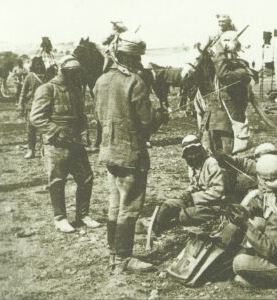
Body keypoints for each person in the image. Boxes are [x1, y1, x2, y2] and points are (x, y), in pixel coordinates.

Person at [94, 32, 169, 274]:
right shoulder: (135, 81)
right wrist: (162, 115)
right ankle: (123, 259)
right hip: (131, 155)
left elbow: (99, 117)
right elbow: (147, 120)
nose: (139, 63)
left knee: (115, 205)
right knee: (129, 208)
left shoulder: (101, 80)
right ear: (131, 57)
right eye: (138, 58)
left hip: (108, 152)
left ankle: (113, 255)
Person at [30, 55, 100, 233]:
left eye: (77, 72)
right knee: (57, 181)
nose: (75, 76)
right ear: (62, 70)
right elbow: (36, 118)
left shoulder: (76, 89)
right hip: (56, 145)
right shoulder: (47, 89)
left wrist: (84, 133)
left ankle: (82, 215)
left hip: (75, 142)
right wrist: (56, 131)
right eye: (72, 72)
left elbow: (81, 116)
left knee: (86, 178)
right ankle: (60, 218)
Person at [154, 135, 227, 234]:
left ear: (200, 150)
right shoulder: (191, 164)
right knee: (168, 205)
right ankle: (156, 227)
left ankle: (170, 223)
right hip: (195, 200)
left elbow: (218, 191)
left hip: (214, 204)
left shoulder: (211, 163)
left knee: (184, 216)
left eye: (195, 152)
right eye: (190, 154)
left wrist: (193, 197)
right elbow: (194, 184)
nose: (193, 156)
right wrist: (188, 192)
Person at [201, 30, 252, 155]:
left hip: (227, 123)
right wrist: (207, 46)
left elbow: (224, 75)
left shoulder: (242, 68)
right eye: (223, 41)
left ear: (237, 45)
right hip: (212, 120)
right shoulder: (219, 63)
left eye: (229, 40)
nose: (224, 44)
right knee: (210, 154)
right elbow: (202, 66)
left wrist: (219, 51)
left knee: (227, 156)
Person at [232, 154, 277, 287]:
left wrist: (246, 224)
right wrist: (247, 210)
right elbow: (263, 202)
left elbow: (271, 250)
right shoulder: (272, 194)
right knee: (257, 222)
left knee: (238, 263)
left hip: (274, 253)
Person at [19, 56, 46, 159]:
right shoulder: (29, 76)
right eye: (37, 64)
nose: (39, 66)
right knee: (30, 129)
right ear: (33, 66)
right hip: (31, 106)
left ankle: (43, 149)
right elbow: (23, 92)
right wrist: (21, 105)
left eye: (40, 64)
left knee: (44, 129)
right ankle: (31, 150)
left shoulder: (48, 76)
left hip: (44, 105)